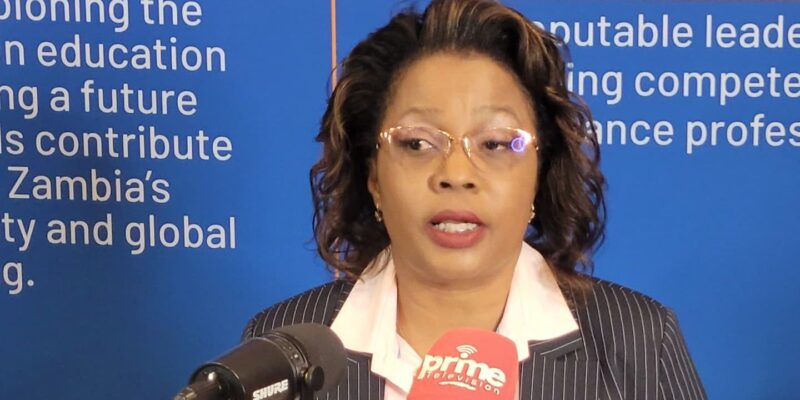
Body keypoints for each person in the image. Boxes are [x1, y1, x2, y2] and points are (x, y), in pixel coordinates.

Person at [242, 0, 707, 398]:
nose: (457, 174)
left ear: (539, 175)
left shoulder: (638, 342)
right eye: (418, 143)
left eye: (496, 143)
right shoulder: (283, 348)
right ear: (374, 177)